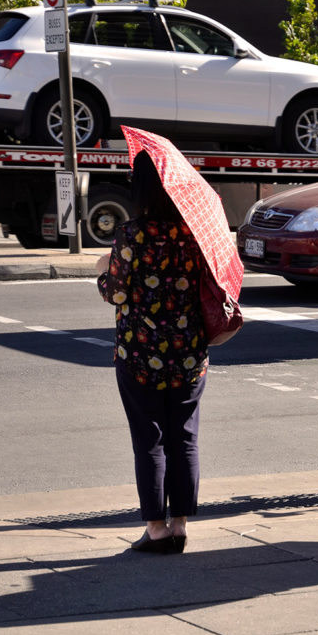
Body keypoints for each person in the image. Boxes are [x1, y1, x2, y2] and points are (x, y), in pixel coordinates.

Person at [96, 150, 209, 554]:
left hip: (139, 354)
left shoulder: (131, 234)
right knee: (184, 436)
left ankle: (156, 529)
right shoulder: (196, 232)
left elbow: (117, 292)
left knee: (149, 439)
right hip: (190, 354)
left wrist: (101, 276)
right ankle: (179, 524)